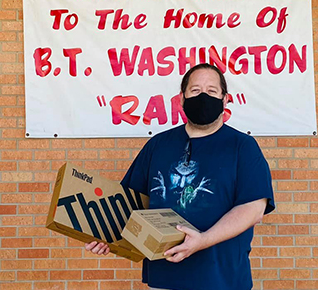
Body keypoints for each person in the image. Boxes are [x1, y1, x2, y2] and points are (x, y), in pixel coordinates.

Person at [85, 63, 276, 290]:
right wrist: (107, 235)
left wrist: (203, 240)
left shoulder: (242, 147)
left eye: (212, 91)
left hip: (222, 279)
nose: (203, 96)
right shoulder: (157, 145)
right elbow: (129, 201)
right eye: (195, 90)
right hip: (164, 277)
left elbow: (253, 209)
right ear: (182, 99)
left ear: (225, 100)